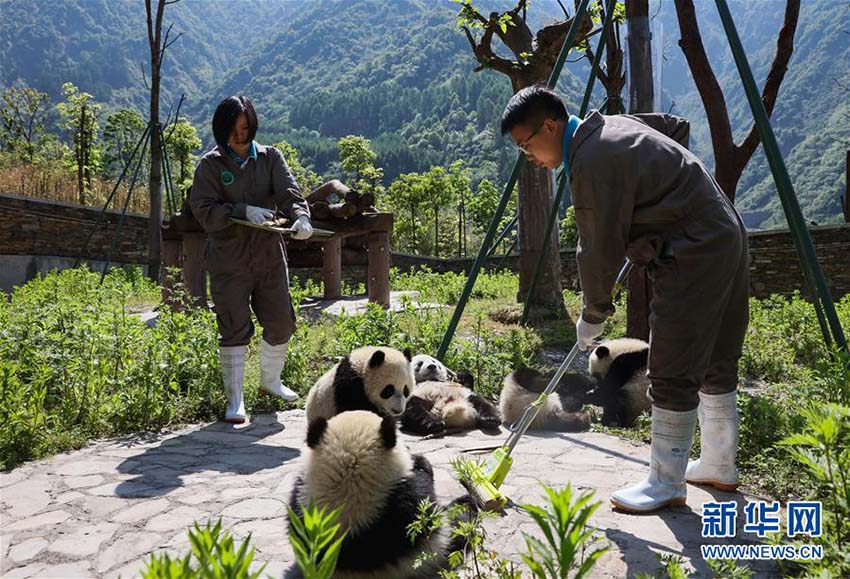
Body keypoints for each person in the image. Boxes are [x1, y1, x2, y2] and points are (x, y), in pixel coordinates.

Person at [500, 85, 749, 513]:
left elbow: (596, 247)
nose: (530, 157)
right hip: (723, 231)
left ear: (550, 125)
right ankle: (719, 463)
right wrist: (657, 206)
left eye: (527, 145)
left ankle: (665, 481)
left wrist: (593, 315)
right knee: (716, 356)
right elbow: (673, 128)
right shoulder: (612, 128)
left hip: (691, 248)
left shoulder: (591, 159)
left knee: (671, 360)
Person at [190, 95, 313, 424]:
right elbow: (203, 211)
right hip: (228, 260)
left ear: (253, 125)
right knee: (233, 326)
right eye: (233, 129)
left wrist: (301, 218)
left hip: (268, 256)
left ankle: (270, 382)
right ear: (221, 130)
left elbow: (290, 194)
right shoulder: (211, 165)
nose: (240, 135)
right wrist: (241, 211)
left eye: (245, 127)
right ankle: (235, 400)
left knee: (281, 321)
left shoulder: (270, 158)